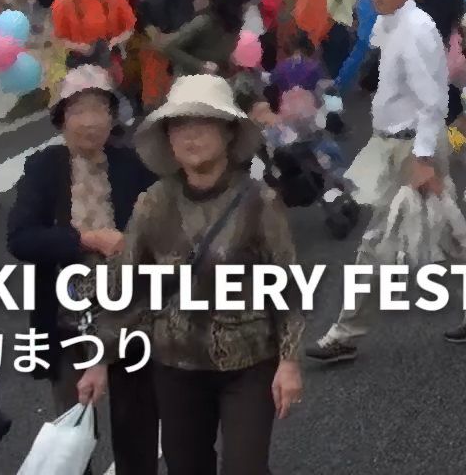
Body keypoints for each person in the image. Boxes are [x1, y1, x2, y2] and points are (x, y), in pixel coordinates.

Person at [79, 75, 302, 475]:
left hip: (248, 362)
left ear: (229, 132)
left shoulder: (260, 201)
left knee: (245, 468)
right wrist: (99, 359)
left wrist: (289, 362)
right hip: (175, 364)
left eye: (204, 123)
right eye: (179, 125)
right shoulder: (154, 203)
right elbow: (126, 285)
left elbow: (287, 287)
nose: (190, 135)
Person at [306, 0, 466, 363]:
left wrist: (423, 157)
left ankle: (345, 332)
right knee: (448, 231)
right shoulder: (389, 22)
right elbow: (375, 50)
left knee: (378, 239)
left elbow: (432, 100)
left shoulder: (416, 29)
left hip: (413, 146)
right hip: (401, 144)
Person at [7, 67, 159, 474]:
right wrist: (86, 240)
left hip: (129, 315)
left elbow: (163, 229)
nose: (90, 121)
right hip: (66, 316)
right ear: (61, 119)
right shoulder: (44, 168)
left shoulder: (133, 165)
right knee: (73, 430)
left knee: (136, 424)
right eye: (78, 111)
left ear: (113, 117)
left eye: (100, 109)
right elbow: (21, 239)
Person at [51, 0, 138, 77]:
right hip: (80, 65)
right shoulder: (64, 4)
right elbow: (59, 39)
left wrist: (117, 41)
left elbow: (130, 28)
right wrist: (79, 47)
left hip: (110, 61)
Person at [160, 0, 257, 80]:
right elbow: (170, 48)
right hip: (189, 80)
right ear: (234, 3)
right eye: (246, 2)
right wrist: (200, 66)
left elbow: (221, 57)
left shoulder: (235, 25)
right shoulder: (204, 22)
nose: (249, 6)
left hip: (214, 82)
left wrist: (232, 63)